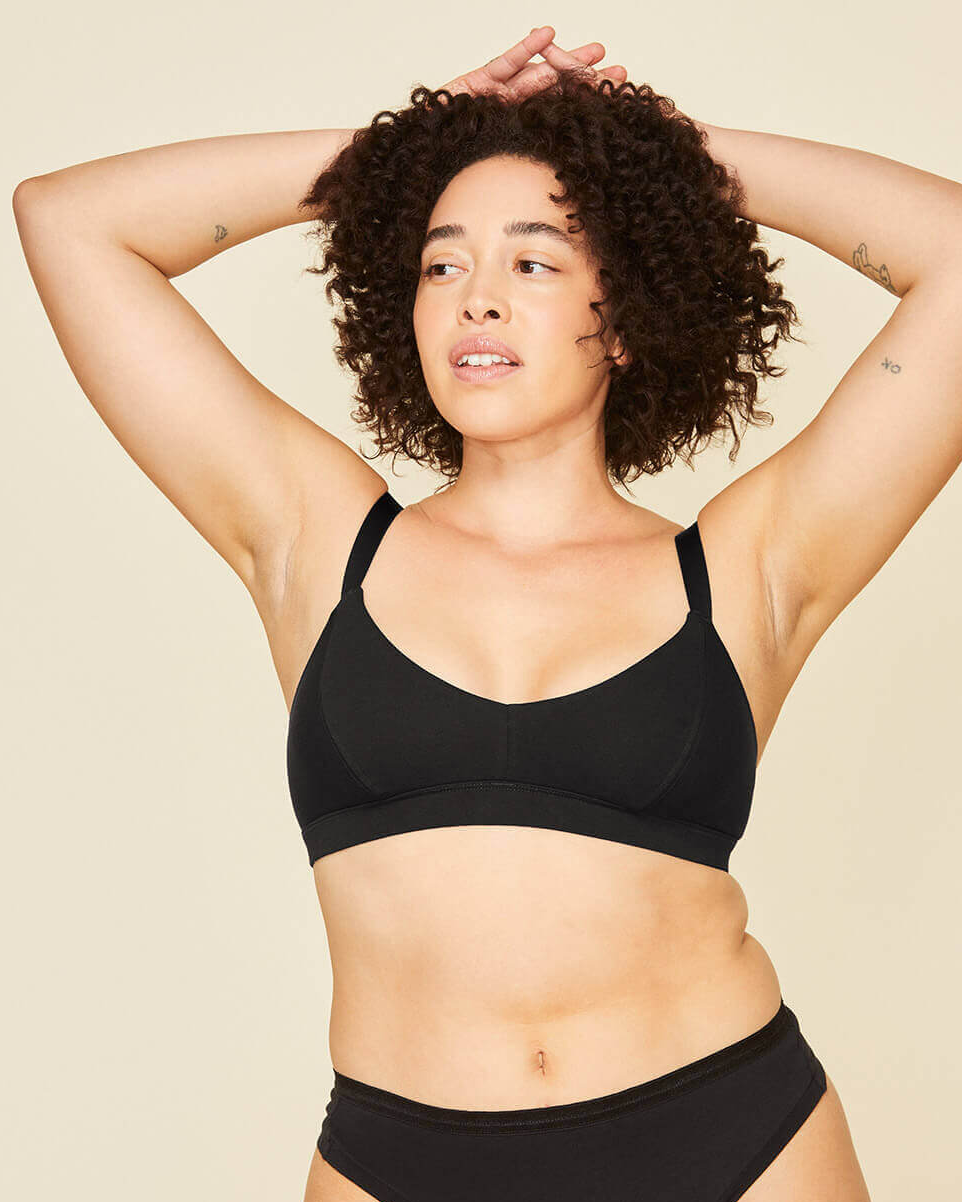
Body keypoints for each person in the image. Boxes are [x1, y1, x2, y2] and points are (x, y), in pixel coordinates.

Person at [16, 22, 960, 1200]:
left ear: (622, 316)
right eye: (440, 263)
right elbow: (68, 220)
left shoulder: (747, 567)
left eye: (533, 262)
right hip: (399, 1157)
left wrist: (652, 158)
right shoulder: (316, 541)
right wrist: (403, 152)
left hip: (731, 1139)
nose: (476, 300)